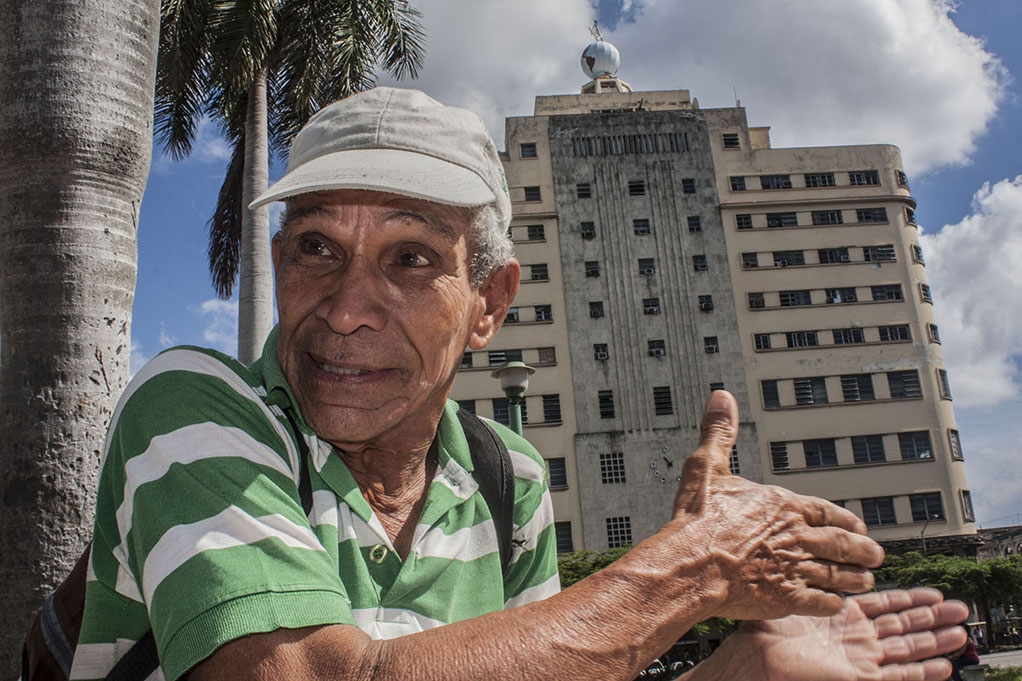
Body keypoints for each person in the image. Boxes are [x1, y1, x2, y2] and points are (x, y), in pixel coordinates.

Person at [70, 87, 968, 681]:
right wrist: (687, 570)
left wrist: (735, 672)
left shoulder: (510, 479)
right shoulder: (194, 409)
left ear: (490, 303)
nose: (345, 309)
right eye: (317, 249)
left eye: (410, 257)